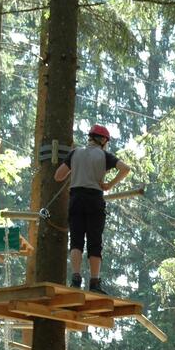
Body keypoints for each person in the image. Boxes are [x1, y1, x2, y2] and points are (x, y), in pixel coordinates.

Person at [54, 124, 131, 295]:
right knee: (95, 242)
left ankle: (75, 279)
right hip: (95, 200)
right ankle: (94, 282)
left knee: (76, 240)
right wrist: (109, 185)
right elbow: (125, 169)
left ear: (90, 137)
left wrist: (75, 171)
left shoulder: (75, 153)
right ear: (103, 140)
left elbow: (58, 176)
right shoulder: (104, 155)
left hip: (76, 199)